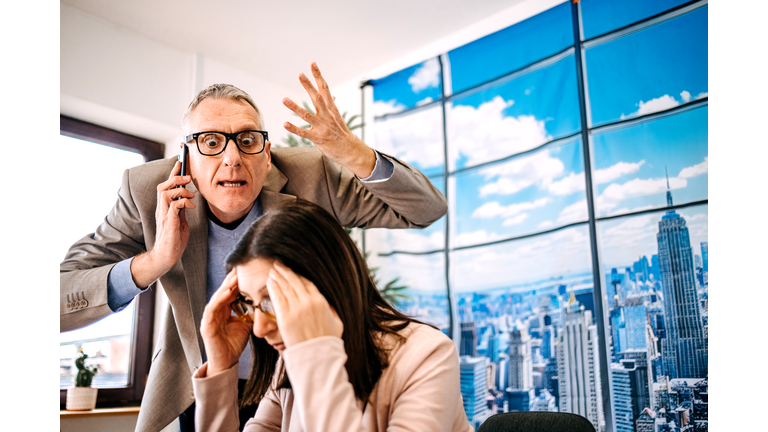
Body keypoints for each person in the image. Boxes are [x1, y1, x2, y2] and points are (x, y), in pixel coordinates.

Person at [60, 63, 447, 432]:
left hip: (296, 375)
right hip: (211, 374)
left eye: (247, 140)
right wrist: (155, 260)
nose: (232, 158)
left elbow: (425, 210)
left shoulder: (311, 175)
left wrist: (353, 153)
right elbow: (58, 300)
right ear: (186, 158)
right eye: (211, 141)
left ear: (266, 154)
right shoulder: (146, 193)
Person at [195, 200, 472, 431]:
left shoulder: (426, 355)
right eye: (248, 304)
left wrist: (316, 355)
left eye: (273, 300)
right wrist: (220, 367)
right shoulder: (288, 364)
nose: (259, 329)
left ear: (327, 283)